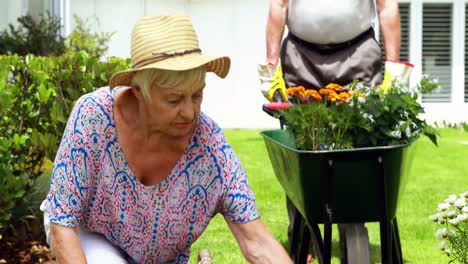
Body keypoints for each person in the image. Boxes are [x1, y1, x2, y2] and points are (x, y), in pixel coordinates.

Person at [40, 13, 292, 264]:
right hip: (88, 234)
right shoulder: (93, 116)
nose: (190, 111)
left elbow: (256, 242)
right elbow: (63, 220)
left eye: (197, 95)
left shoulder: (211, 149)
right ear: (139, 92)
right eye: (174, 99)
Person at [266, 0, 401, 260]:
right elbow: (279, 5)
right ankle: (301, 233)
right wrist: (272, 65)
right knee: (302, 148)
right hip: (300, 57)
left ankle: (353, 220)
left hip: (358, 55)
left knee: (358, 144)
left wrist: (393, 66)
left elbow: (386, 7)